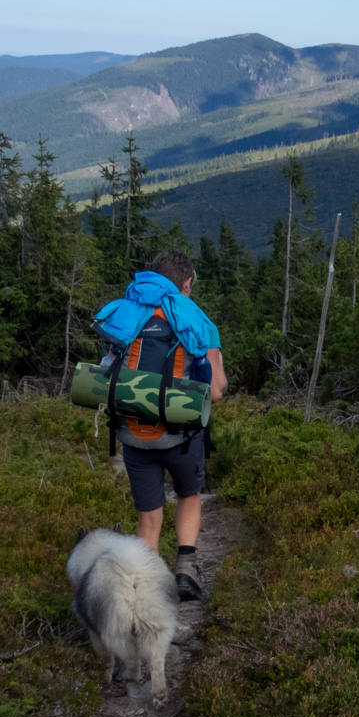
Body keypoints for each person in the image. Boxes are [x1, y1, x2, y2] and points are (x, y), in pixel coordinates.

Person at [114, 249, 226, 599]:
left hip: (133, 433)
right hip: (181, 436)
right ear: (187, 283)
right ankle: (185, 570)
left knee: (148, 518)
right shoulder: (198, 320)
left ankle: (143, 591)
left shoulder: (129, 314)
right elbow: (217, 390)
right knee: (189, 494)